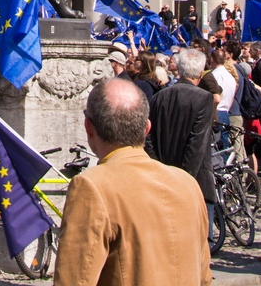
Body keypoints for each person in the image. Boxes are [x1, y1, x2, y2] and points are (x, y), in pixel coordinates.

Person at [52, 77, 212, 286]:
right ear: (147, 128)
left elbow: (74, 280)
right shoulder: (187, 183)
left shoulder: (92, 186)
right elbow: (204, 276)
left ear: (88, 127)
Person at [144, 48, 218, 218]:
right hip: (193, 181)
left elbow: (149, 138)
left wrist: (160, 171)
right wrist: (182, 181)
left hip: (164, 177)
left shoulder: (159, 96)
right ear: (200, 73)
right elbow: (196, 144)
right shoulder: (203, 98)